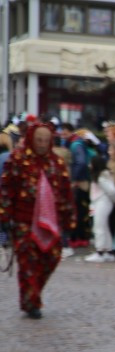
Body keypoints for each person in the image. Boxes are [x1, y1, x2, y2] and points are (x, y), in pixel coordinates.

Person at [0, 119, 77, 318]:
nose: (42, 144)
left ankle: (34, 292)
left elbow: (66, 192)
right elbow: (7, 189)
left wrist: (69, 218)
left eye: (46, 140)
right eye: (38, 140)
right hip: (24, 220)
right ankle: (30, 301)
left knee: (52, 257)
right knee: (27, 262)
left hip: (50, 221)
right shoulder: (17, 159)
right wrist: (4, 214)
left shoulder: (56, 163)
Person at [85, 155, 115, 262]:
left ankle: (99, 251)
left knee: (98, 226)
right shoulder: (101, 176)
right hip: (100, 202)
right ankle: (108, 251)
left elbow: (112, 191)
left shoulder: (101, 177)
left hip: (102, 202)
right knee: (104, 227)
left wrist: (114, 200)